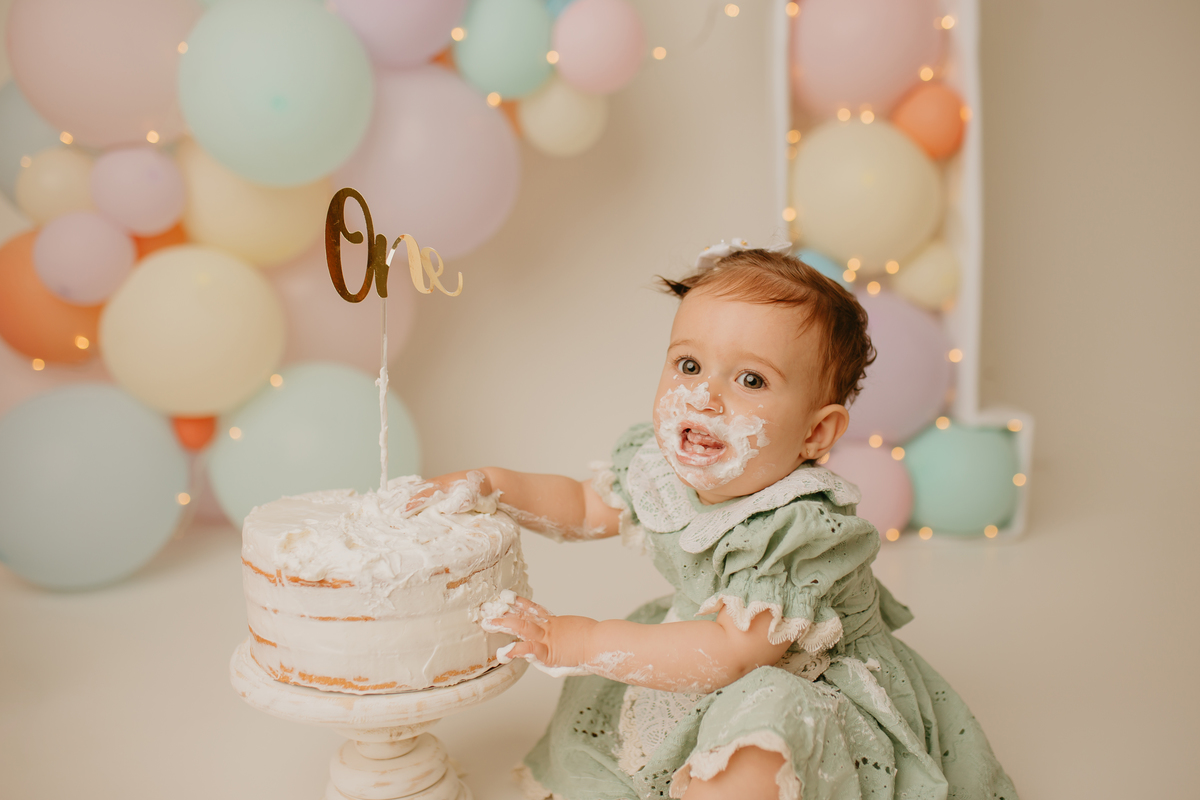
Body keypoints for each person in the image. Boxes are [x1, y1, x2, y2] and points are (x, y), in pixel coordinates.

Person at [415, 242, 1018, 800]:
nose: (704, 396)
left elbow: (733, 652)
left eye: (751, 379)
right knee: (634, 707)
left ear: (816, 433)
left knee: (765, 729)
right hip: (701, 645)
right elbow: (582, 505)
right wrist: (495, 484)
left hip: (794, 676)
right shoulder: (662, 470)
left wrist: (582, 642)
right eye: (688, 365)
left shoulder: (795, 529)